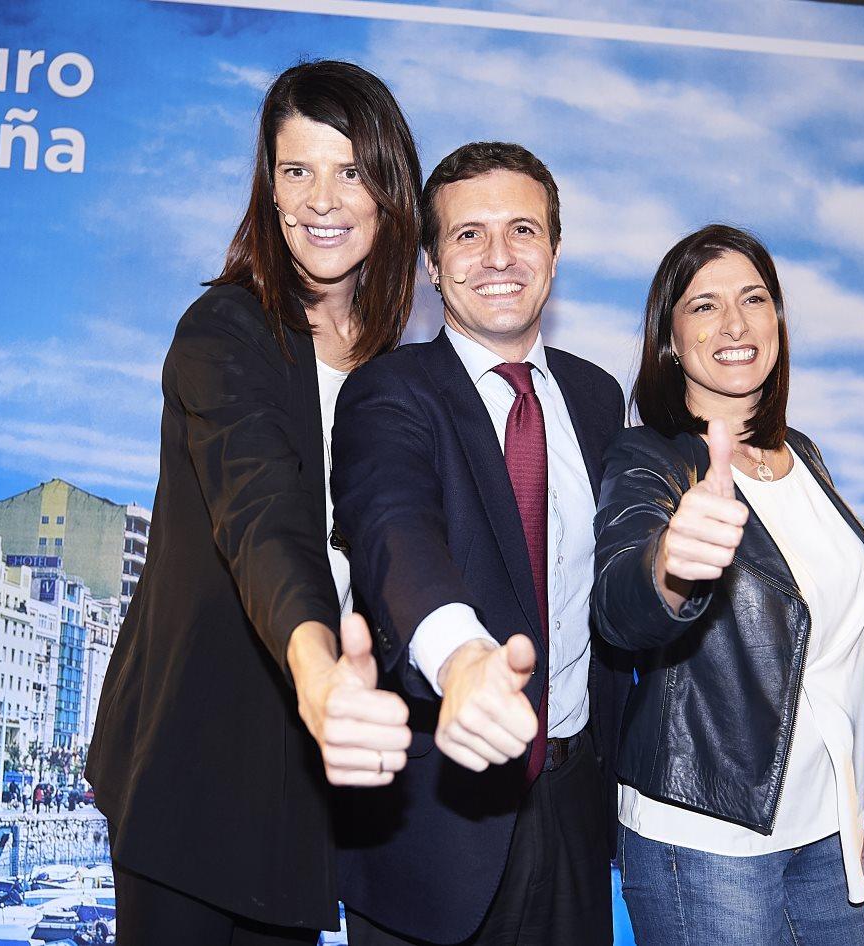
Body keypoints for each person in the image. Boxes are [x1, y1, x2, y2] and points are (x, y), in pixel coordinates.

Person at [85, 60, 422, 945]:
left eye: (351, 171)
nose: (323, 198)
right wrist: (317, 671)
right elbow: (262, 514)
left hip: (307, 795)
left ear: (390, 190)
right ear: (267, 190)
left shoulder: (397, 374)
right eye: (296, 170)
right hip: (190, 774)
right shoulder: (225, 331)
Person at [332, 141, 627, 946]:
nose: (498, 256)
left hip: (572, 814)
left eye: (523, 230)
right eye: (468, 235)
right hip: (431, 829)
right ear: (432, 264)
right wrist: (462, 658)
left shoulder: (600, 398)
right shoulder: (388, 391)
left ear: (555, 254)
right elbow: (394, 528)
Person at [593, 224, 864, 946]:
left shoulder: (806, 457)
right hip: (703, 837)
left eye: (754, 299)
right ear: (670, 338)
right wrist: (670, 566)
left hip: (824, 832)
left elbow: (833, 656)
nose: (734, 323)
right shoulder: (652, 457)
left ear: (778, 323)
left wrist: (849, 806)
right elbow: (618, 604)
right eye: (703, 306)